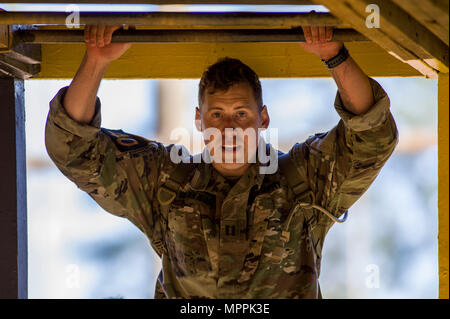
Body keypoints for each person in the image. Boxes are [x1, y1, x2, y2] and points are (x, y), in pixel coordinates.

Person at [45, 24, 398, 299]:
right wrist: (97, 60)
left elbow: (373, 137)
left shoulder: (302, 180)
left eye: (241, 113)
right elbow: (73, 148)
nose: (229, 128)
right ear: (200, 121)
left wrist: (334, 55)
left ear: (263, 120)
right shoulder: (166, 182)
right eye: (218, 114)